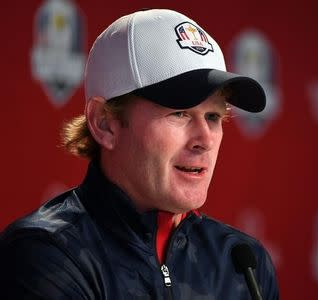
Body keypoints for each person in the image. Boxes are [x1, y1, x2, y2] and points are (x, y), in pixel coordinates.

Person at [0, 8, 279, 299]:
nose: (205, 139)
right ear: (105, 124)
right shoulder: (46, 254)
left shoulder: (244, 266)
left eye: (213, 116)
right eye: (180, 113)